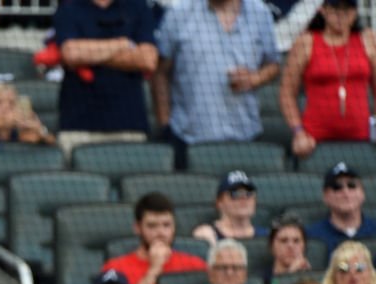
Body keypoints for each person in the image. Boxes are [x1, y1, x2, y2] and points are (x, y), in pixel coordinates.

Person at [152, 0, 280, 167]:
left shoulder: (260, 13)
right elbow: (160, 72)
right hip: (188, 138)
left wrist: (255, 78)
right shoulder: (180, 14)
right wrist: (165, 125)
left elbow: (274, 65)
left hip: (244, 136)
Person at [52, 0, 157, 161]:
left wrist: (91, 54)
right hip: (78, 126)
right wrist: (123, 43)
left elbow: (148, 60)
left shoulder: (137, 6)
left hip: (129, 125)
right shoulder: (69, 7)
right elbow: (71, 53)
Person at [280, 0, 376, 159]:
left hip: (361, 138)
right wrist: (298, 132)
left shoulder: (368, 40)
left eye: (347, 10)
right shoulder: (306, 42)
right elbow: (286, 93)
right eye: (335, 9)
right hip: (314, 140)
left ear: (355, 13)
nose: (341, 15)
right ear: (323, 10)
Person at [101, 192, 207, 284]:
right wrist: (155, 268)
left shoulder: (195, 265)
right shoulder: (116, 268)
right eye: (152, 226)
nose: (160, 233)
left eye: (166, 225)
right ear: (137, 228)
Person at [307, 162, 376, 256]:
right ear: (325, 196)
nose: (346, 193)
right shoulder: (311, 237)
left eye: (352, 186)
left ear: (362, 193)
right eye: (337, 187)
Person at [192, 170, 268, 245]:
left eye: (248, 194)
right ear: (219, 202)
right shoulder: (207, 234)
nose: (244, 198)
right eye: (235, 194)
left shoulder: (267, 236)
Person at [264, 213, 312, 284]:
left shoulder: (314, 278)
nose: (290, 246)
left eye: (296, 241)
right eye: (283, 241)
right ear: (271, 246)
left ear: (304, 246)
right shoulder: (262, 280)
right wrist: (290, 276)